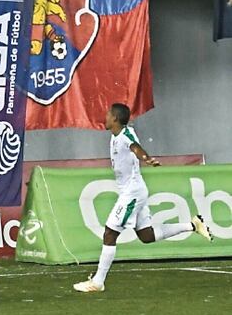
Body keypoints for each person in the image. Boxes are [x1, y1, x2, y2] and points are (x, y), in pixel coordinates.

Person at [73, 103, 213, 293]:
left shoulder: (125, 135)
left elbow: (136, 148)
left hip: (132, 192)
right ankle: (192, 225)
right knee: (146, 236)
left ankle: (98, 282)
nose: (104, 117)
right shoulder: (114, 136)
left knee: (110, 233)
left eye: (108, 114)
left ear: (115, 118)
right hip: (132, 190)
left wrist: (147, 158)